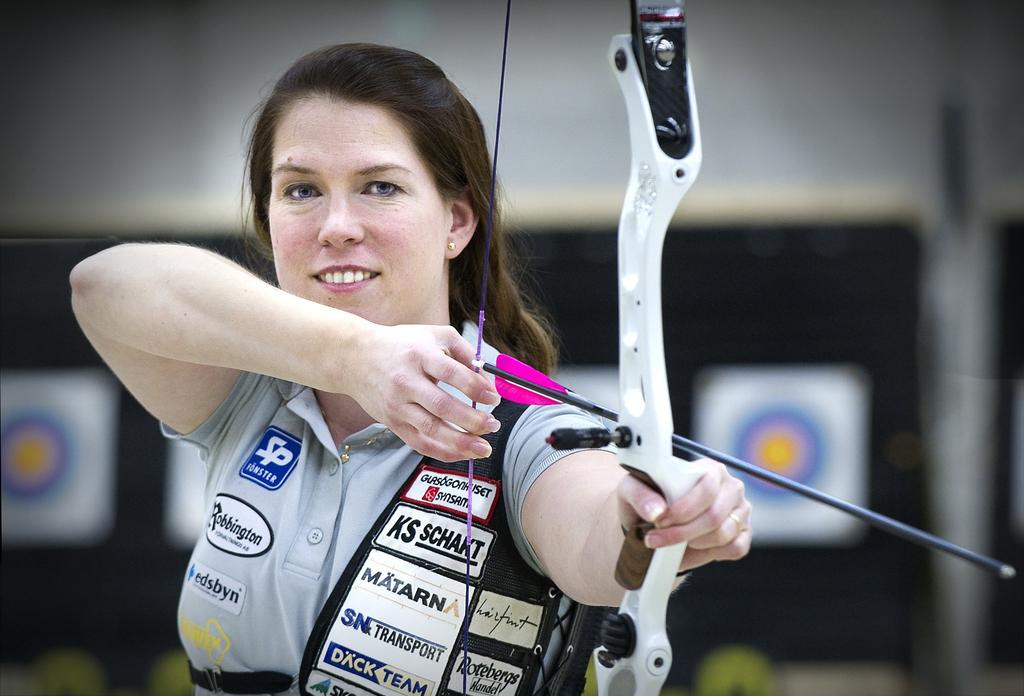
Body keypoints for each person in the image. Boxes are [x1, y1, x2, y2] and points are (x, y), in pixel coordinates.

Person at [70, 43, 752, 696]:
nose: (336, 225)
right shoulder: (250, 390)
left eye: (379, 187)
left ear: (457, 222)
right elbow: (102, 286)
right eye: (301, 190)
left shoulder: (516, 421)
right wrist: (355, 356)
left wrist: (655, 524)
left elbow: (598, 532)